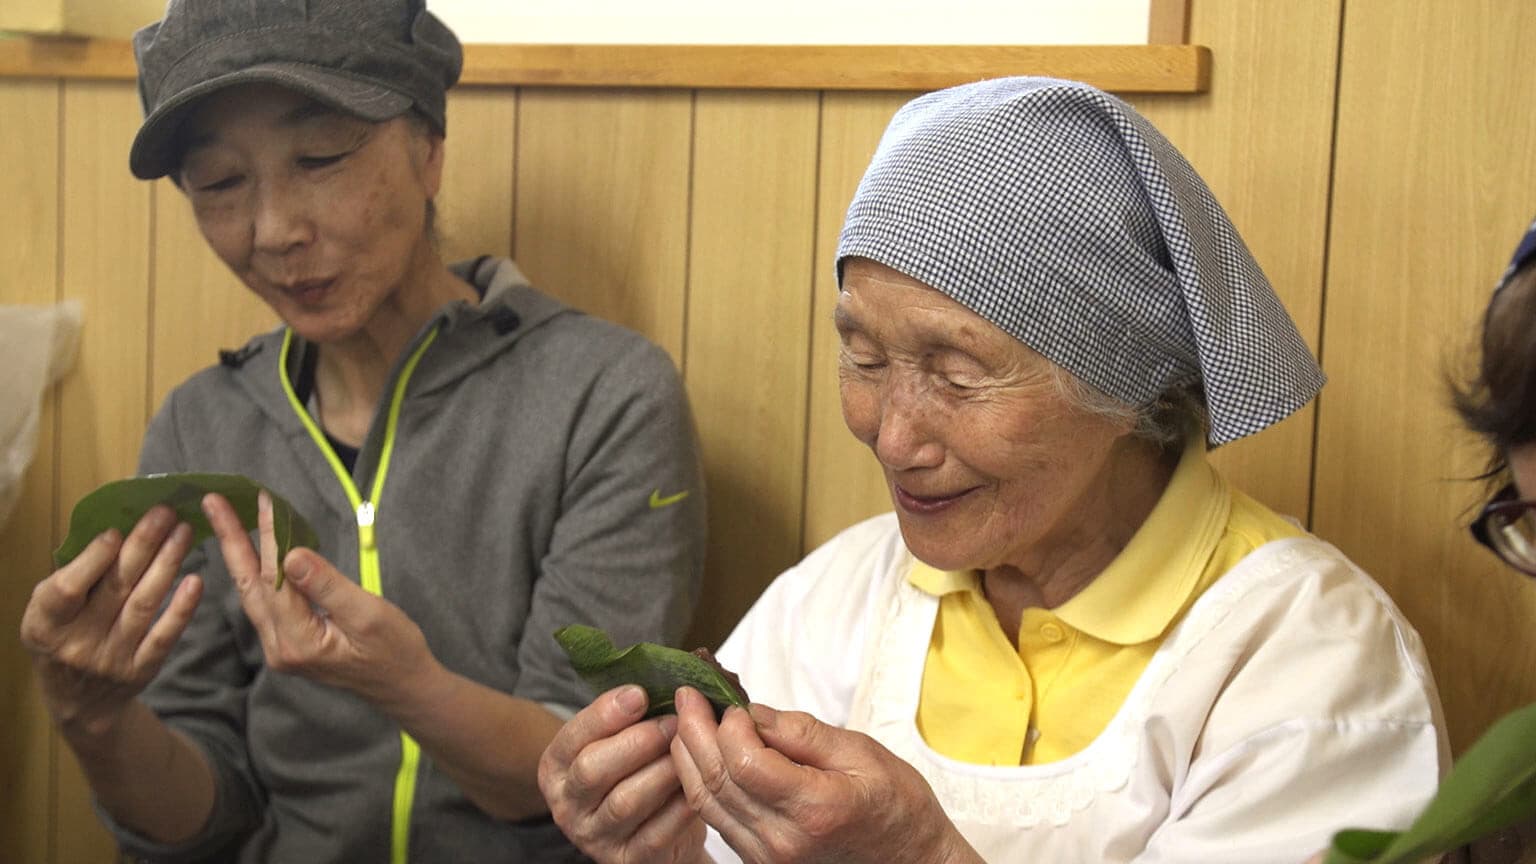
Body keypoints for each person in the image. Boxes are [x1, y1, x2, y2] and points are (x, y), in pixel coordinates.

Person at [537, 76, 1447, 863]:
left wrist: (923, 854)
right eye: (862, 357)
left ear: (1128, 386)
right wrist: (664, 846)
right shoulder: (841, 597)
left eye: (957, 374)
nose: (894, 438)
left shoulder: (1309, 660)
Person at [17, 0, 706, 861]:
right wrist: (92, 720)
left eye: (319, 158)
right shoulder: (203, 426)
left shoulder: (601, 396)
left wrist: (409, 687)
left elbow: (590, 772)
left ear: (429, 149)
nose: (274, 232)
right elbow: (204, 816)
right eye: (221, 184)